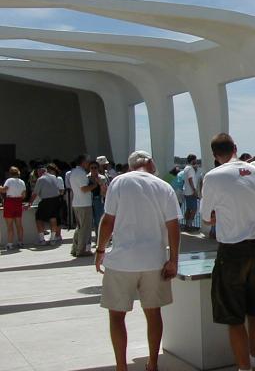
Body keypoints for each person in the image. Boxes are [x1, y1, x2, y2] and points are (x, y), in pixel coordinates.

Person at [95, 150, 181, 371]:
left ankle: (121, 367)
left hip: (122, 260)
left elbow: (108, 221)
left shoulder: (119, 182)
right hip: (154, 260)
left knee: (116, 316)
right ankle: (152, 363)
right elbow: (173, 226)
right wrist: (173, 260)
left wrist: (100, 249)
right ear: (150, 162)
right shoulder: (164, 187)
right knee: (154, 313)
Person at [199, 133, 255, 371]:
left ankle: (244, 368)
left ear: (214, 155)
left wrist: (219, 215)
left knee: (234, 316)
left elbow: (206, 218)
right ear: (235, 148)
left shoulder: (213, 176)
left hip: (232, 251)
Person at [70, 154, 99, 257]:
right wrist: (95, 185)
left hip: (77, 203)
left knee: (80, 227)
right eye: (87, 161)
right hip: (84, 204)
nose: (89, 163)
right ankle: (82, 250)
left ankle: (75, 248)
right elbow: (84, 189)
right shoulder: (81, 173)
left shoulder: (73, 172)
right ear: (83, 162)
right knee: (85, 228)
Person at [29, 163, 64, 245]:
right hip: (56, 200)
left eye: (38, 173)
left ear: (40, 172)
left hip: (46, 201)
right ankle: (52, 239)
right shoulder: (54, 177)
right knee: (53, 218)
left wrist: (29, 203)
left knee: (38, 218)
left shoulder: (40, 179)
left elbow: (35, 193)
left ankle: (42, 240)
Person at [0, 166, 26, 249]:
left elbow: (4, 190)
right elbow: (23, 195)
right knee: (19, 224)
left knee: (10, 225)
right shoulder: (22, 182)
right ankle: (20, 242)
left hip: (10, 202)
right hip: (18, 202)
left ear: (10, 173)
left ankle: (10, 244)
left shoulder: (9, 180)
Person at [88, 160, 108, 239]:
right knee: (90, 221)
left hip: (98, 200)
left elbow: (104, 190)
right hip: (88, 200)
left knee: (99, 220)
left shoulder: (102, 177)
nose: (93, 169)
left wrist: (99, 183)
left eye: (95, 168)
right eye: (91, 168)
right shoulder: (87, 177)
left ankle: (99, 237)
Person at [182, 154, 200, 230]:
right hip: (191, 192)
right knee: (194, 209)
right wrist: (194, 190)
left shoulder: (186, 168)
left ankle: (186, 224)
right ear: (193, 160)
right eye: (195, 160)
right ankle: (189, 225)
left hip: (186, 191)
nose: (196, 161)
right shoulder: (190, 169)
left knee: (189, 208)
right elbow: (190, 179)